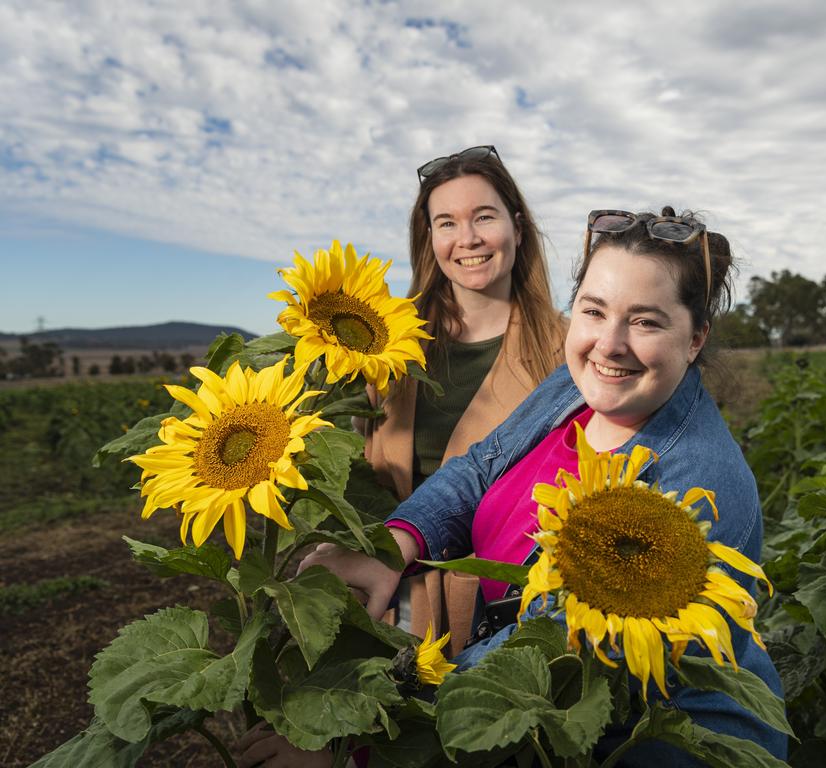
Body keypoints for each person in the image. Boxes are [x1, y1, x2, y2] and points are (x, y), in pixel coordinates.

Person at [300, 207, 788, 765]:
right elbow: (482, 465)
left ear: (696, 337)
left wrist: (353, 744)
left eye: (646, 321)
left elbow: (552, 646)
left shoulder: (697, 488)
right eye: (594, 310)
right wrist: (395, 545)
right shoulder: (573, 389)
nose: (609, 344)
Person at [235, 146, 566, 767]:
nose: (467, 239)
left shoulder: (569, 350)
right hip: (377, 599)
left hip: (503, 622)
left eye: (484, 217)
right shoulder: (383, 341)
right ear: (428, 239)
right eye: (446, 223)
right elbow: (347, 488)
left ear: (518, 227)